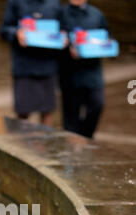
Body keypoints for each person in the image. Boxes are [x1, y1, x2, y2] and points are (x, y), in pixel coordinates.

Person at [0, 0, 61, 126]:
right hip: (24, 66)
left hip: (47, 65)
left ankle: (46, 142)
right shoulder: (15, 3)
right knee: (23, 111)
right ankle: (21, 143)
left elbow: (62, 28)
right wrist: (17, 33)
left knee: (47, 111)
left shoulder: (54, 3)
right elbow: (4, 30)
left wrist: (64, 37)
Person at [60, 0, 108, 138]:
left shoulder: (97, 14)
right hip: (69, 73)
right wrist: (67, 47)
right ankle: (72, 150)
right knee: (71, 115)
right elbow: (53, 38)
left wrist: (105, 44)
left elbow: (106, 36)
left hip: (92, 71)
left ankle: (85, 137)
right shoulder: (61, 13)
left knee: (97, 104)